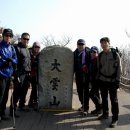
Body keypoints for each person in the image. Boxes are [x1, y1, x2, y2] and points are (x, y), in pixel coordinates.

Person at [97, 37, 122, 128]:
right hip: (103, 80)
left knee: (114, 100)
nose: (103, 45)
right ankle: (105, 114)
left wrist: (118, 81)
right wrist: (98, 79)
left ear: (109, 43)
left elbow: (119, 68)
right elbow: (98, 68)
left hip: (112, 81)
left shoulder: (115, 54)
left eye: (105, 43)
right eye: (101, 43)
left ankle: (115, 119)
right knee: (104, 98)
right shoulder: (100, 55)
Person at [10, 32, 31, 115]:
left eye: (27, 39)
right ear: (21, 39)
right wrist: (15, 74)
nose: (26, 40)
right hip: (19, 73)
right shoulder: (16, 48)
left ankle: (21, 105)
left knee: (24, 91)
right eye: (24, 38)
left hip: (27, 73)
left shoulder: (27, 49)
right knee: (17, 91)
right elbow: (14, 62)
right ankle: (12, 110)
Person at [0, 28, 17, 120]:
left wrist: (12, 61)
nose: (8, 37)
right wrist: (3, 63)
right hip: (1, 74)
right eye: (6, 35)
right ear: (3, 36)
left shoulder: (12, 47)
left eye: (10, 36)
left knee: (5, 95)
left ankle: (2, 113)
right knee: (0, 95)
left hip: (8, 75)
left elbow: (15, 60)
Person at [74, 39, 91, 114]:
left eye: (82, 44)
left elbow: (93, 62)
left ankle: (86, 108)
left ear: (85, 45)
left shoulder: (89, 52)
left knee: (85, 92)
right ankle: (83, 105)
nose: (80, 46)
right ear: (77, 45)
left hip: (86, 75)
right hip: (78, 75)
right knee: (79, 91)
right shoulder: (75, 53)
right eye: (79, 44)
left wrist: (87, 68)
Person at [89, 46, 102, 115]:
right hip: (93, 80)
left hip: (97, 80)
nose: (93, 53)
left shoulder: (98, 60)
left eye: (94, 52)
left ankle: (100, 107)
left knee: (91, 94)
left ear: (97, 53)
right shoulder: (91, 60)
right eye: (91, 52)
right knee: (96, 94)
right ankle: (98, 109)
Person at [28, 41, 41, 110]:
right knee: (33, 88)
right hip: (29, 73)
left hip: (36, 74)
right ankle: (33, 102)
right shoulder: (29, 52)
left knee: (34, 88)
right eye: (36, 47)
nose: (37, 48)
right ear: (33, 47)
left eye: (38, 47)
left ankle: (32, 102)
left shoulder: (40, 54)